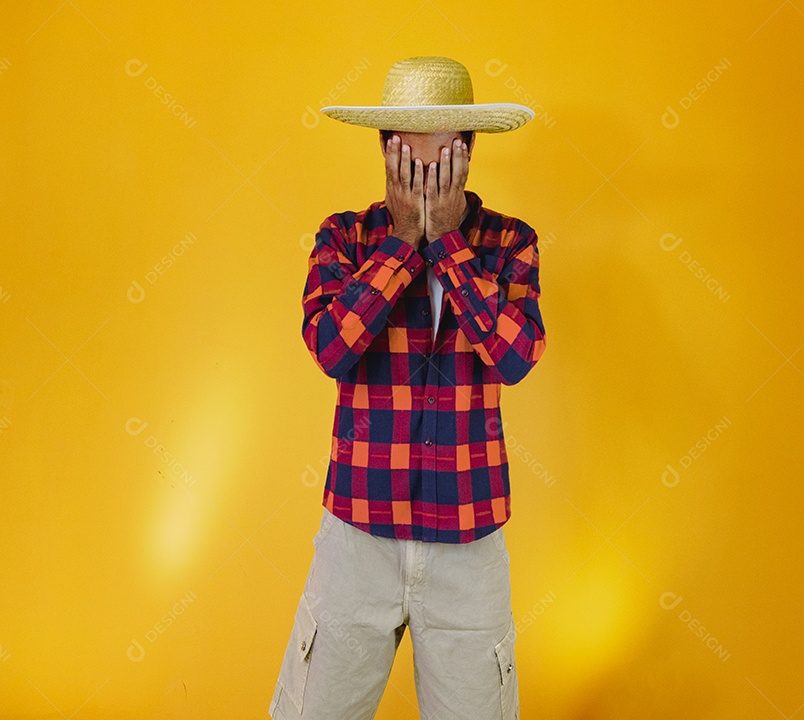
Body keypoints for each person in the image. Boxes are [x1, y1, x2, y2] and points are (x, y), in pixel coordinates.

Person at [268, 55, 546, 720]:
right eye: (407, 157)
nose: (425, 178)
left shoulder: (510, 242)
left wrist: (449, 245)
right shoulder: (344, 236)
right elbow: (331, 348)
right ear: (385, 150)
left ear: (470, 153)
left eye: (442, 157)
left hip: (469, 540)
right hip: (358, 530)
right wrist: (398, 245)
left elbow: (514, 356)